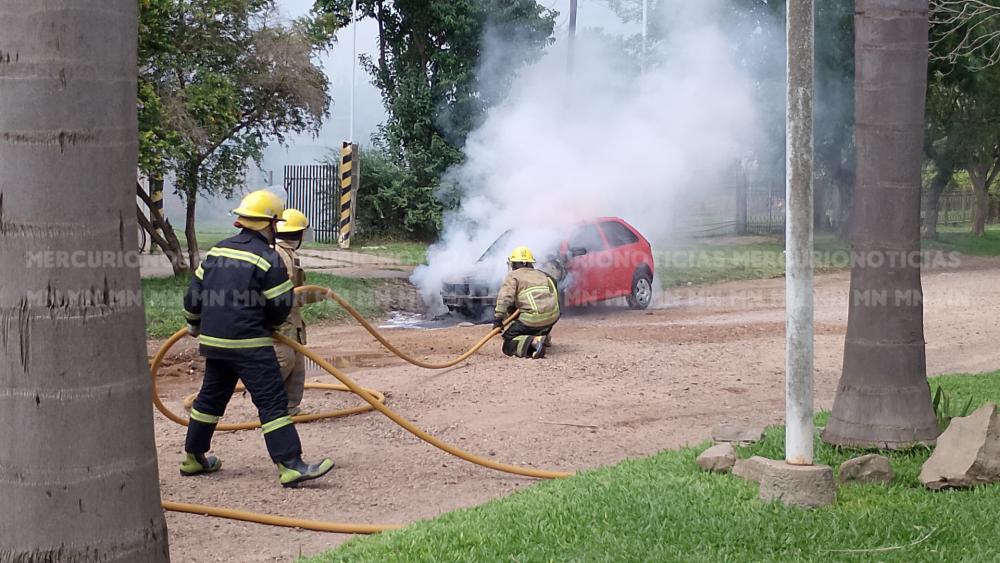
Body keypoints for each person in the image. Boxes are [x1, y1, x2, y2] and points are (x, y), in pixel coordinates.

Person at [181, 190, 334, 488]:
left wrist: (195, 326)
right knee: (272, 403)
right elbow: (279, 308)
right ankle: (291, 465)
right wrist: (269, 324)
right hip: (250, 344)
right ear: (270, 224)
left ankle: (193, 457)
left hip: (215, 343)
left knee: (209, 399)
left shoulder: (217, 252)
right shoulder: (267, 258)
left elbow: (192, 297)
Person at [273, 209, 324, 416]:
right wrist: (314, 295)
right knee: (284, 361)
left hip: (290, 319)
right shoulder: (278, 253)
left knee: (297, 366)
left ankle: (290, 407)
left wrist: (313, 295)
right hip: (279, 320)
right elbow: (282, 293)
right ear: (300, 233)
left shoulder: (288, 253)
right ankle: (269, 404)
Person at [492, 246, 561, 359]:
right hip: (552, 318)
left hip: (534, 319)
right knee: (529, 312)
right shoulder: (542, 274)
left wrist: (498, 319)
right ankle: (543, 335)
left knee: (509, 340)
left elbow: (505, 298)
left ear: (515, 263)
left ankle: (535, 342)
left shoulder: (513, 276)